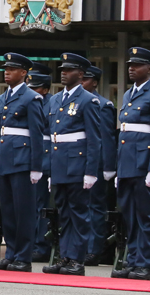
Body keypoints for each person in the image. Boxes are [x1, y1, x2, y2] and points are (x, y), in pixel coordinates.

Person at [111, 47, 150, 281]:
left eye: (137, 65)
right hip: (128, 163)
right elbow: (125, 133)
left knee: (146, 216)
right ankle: (133, 259)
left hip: (144, 164)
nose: (131, 68)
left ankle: (145, 263)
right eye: (130, 64)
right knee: (130, 216)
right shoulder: (128, 95)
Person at [43, 53, 101, 276]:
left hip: (77, 165)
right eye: (62, 70)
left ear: (81, 74)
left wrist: (90, 171)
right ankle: (65, 256)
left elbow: (94, 139)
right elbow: (53, 137)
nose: (63, 73)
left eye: (69, 70)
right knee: (63, 213)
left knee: (79, 214)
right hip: (59, 164)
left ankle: (77, 258)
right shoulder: (56, 99)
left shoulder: (88, 100)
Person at [0, 53, 45, 272]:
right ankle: (10, 253)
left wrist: (36, 167)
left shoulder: (31, 98)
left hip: (23, 162)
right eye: (6, 69)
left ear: (24, 73)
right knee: (8, 211)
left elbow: (37, 135)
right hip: (6, 161)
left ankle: (23, 256)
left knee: (24, 212)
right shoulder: (3, 98)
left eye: (12, 69)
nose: (7, 72)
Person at [81, 65, 117, 266]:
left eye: (86, 79)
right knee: (78, 207)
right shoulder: (72, 102)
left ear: (94, 82)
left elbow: (107, 138)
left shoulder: (103, 105)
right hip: (76, 161)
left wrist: (108, 166)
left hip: (95, 163)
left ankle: (94, 250)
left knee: (95, 207)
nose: (82, 82)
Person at [26, 71, 53, 262]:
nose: (31, 91)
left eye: (34, 88)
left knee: (41, 207)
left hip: (44, 159)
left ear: (44, 89)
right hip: (28, 157)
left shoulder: (50, 103)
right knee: (29, 206)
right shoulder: (30, 101)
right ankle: (30, 243)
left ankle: (41, 245)